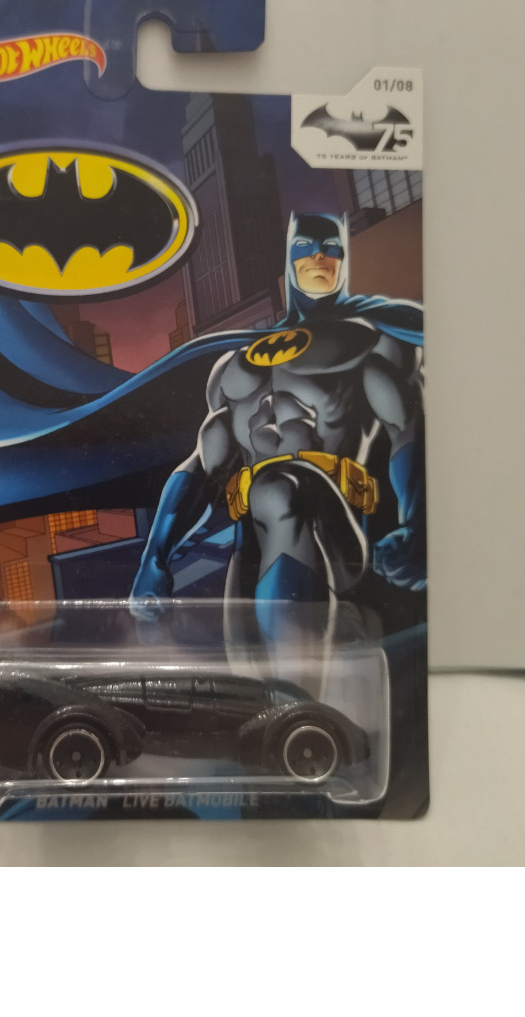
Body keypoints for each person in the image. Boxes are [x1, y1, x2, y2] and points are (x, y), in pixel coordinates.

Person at [129, 212, 426, 696]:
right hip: (254, 547)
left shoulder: (369, 342)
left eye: (331, 248)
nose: (319, 257)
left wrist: (418, 523)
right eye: (307, 246)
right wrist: (154, 556)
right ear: (287, 257)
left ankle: (301, 706)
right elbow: (203, 463)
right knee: (253, 683)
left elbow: (406, 427)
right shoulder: (232, 368)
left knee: (278, 492)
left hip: (334, 533)